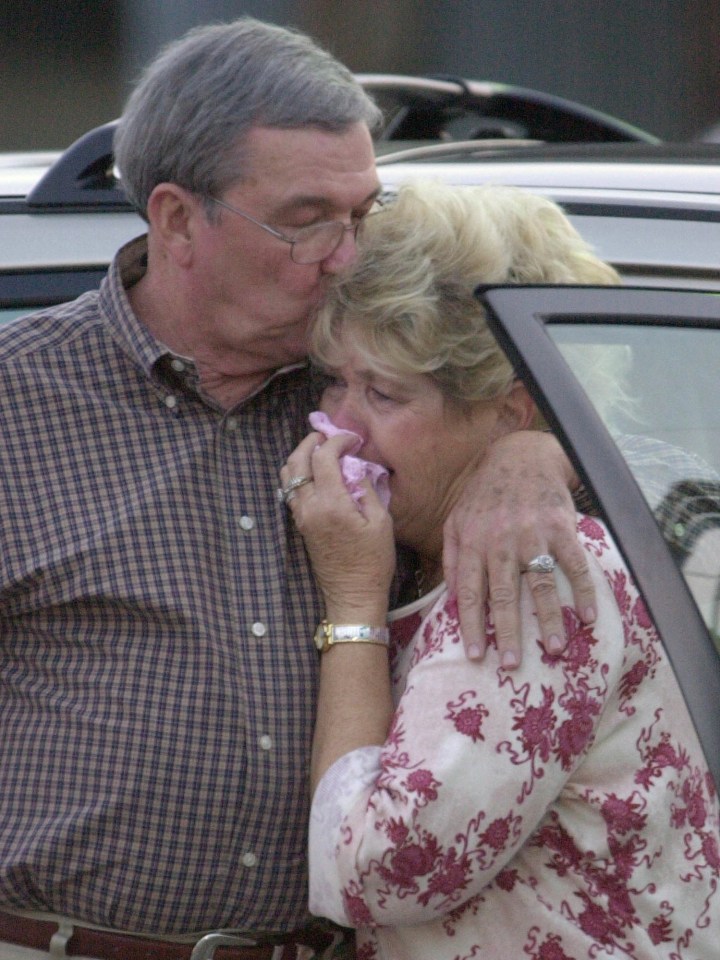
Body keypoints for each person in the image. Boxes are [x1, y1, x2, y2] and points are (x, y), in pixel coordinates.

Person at [0, 17, 604, 960]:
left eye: (363, 213)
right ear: (175, 218)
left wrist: (539, 453)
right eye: (308, 218)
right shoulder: (17, 401)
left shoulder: (375, 384)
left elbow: (635, 435)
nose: (347, 256)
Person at [282, 181, 720, 959]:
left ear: (511, 410)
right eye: (336, 379)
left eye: (381, 392)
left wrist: (350, 596)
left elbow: (369, 875)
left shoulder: (522, 566)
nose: (337, 427)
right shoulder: (557, 516)